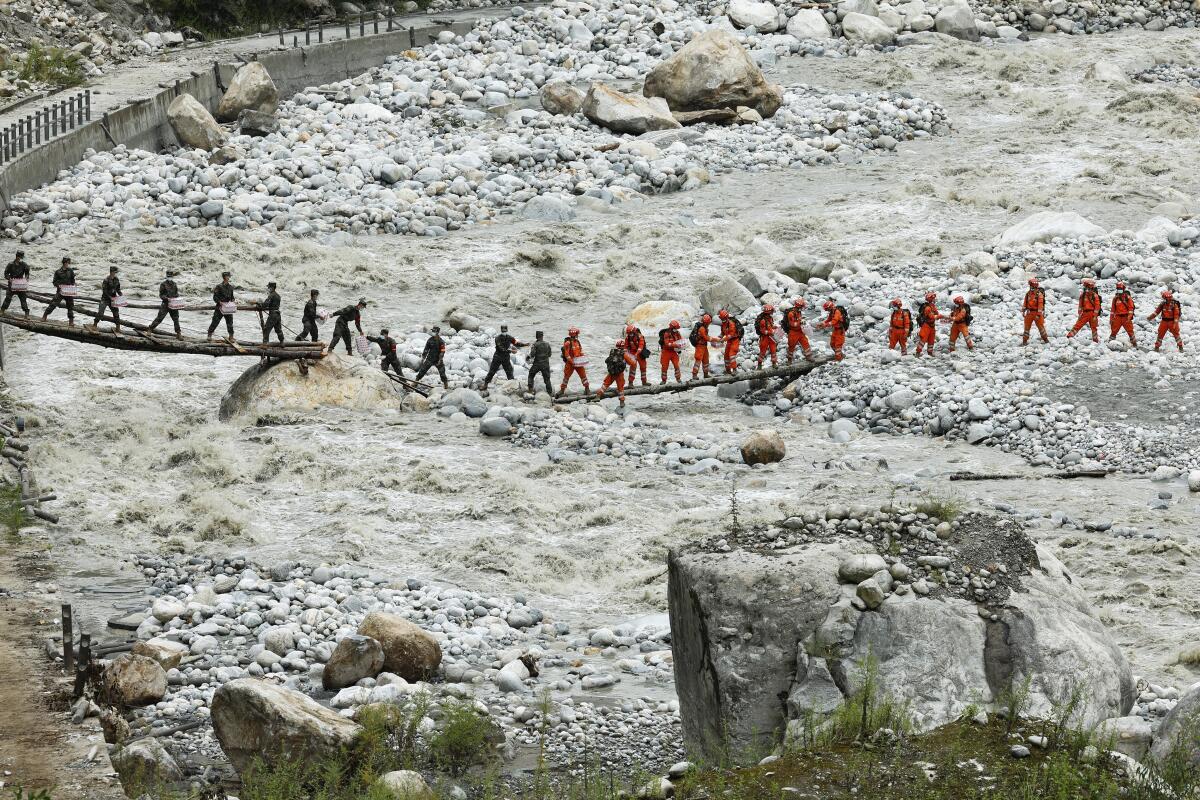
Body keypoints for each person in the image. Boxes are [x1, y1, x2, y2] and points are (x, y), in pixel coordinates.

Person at [481, 325, 527, 392]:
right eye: (503, 331)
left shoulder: (510, 337)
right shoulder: (497, 338)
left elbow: (516, 343)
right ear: (501, 331)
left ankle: (512, 385)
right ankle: (485, 384)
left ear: (506, 330)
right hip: (497, 357)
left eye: (505, 331)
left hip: (506, 358)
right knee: (492, 371)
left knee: (509, 372)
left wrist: (525, 344)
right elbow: (501, 348)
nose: (504, 332)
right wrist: (511, 351)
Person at [42, 257, 77, 325]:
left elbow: (73, 279)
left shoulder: (70, 271)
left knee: (70, 306)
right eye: (66, 263)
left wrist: (73, 284)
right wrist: (59, 286)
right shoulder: (58, 272)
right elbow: (54, 282)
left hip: (68, 291)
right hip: (60, 291)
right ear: (64, 263)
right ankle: (45, 316)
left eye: (68, 263)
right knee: (53, 304)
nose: (67, 264)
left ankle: (71, 321)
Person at [147, 269, 183, 337]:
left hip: (173, 304)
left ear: (172, 276)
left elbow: (176, 294)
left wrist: (178, 299)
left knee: (176, 319)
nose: (169, 277)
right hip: (165, 304)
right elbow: (161, 295)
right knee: (159, 318)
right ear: (166, 276)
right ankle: (150, 329)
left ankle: (178, 333)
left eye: (170, 276)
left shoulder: (174, 284)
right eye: (168, 276)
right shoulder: (163, 284)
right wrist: (167, 298)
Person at [596, 340, 630, 407]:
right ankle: (622, 402)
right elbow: (631, 362)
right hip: (619, 374)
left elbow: (607, 361)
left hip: (611, 372)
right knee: (620, 388)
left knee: (605, 384)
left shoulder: (612, 352)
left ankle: (598, 396)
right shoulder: (624, 354)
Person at [557, 327, 590, 396]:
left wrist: (583, 357)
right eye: (577, 334)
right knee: (566, 377)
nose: (577, 335)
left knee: (583, 375)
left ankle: (587, 389)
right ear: (574, 334)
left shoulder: (577, 342)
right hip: (570, 363)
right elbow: (567, 354)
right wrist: (572, 362)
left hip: (578, 362)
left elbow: (580, 351)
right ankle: (562, 390)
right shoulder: (567, 343)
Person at [1067, 278, 1102, 343]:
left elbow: (1097, 306)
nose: (1087, 289)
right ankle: (1069, 336)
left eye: (1088, 288)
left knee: (1093, 328)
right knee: (1078, 325)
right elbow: (1080, 306)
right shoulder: (1083, 296)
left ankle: (1095, 340)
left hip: (1092, 314)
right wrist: (1079, 314)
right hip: (1085, 313)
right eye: (1086, 288)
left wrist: (1095, 315)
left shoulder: (1094, 295)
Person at [92, 266, 123, 333]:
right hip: (105, 299)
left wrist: (120, 294)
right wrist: (110, 298)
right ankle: (95, 324)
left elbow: (118, 289)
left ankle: (118, 327)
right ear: (111, 272)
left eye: (116, 272)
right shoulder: (106, 280)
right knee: (100, 312)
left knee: (116, 313)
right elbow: (104, 291)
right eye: (115, 272)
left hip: (113, 298)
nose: (115, 274)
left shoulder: (116, 280)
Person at [207, 271, 236, 340]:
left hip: (228, 307)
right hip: (220, 307)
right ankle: (209, 334)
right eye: (228, 276)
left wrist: (233, 301)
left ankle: (231, 336)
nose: (229, 277)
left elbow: (232, 297)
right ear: (225, 277)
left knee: (230, 323)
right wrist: (220, 302)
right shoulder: (219, 286)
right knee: (215, 321)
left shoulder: (231, 287)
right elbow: (215, 297)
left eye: (229, 276)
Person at [781, 298, 811, 363]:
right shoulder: (791, 314)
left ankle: (809, 357)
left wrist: (802, 321)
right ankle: (789, 359)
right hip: (793, 332)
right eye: (802, 307)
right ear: (799, 306)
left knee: (805, 342)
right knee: (791, 346)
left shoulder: (798, 312)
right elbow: (792, 324)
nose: (803, 308)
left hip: (800, 331)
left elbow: (798, 320)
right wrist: (800, 322)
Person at [2, 250, 30, 315]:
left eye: (22, 257)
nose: (21, 258)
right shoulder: (10, 264)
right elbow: (6, 273)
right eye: (20, 257)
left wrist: (26, 278)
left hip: (21, 283)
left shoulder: (24, 265)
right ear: (17, 257)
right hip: (12, 283)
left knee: (23, 298)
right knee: (8, 298)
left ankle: (26, 313)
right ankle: (2, 310)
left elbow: (27, 273)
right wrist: (9, 279)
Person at [1022, 277, 1049, 346]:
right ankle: (1024, 341)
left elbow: (1040, 306)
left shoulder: (1039, 295)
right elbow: (1025, 302)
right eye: (1030, 286)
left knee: (1041, 327)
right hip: (1029, 313)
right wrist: (1023, 310)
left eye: (1031, 286)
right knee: (1026, 327)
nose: (1031, 288)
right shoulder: (1028, 294)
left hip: (1037, 313)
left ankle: (1045, 339)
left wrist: (1038, 315)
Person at [915, 292, 942, 357]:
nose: (934, 300)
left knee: (931, 340)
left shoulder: (932, 306)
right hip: (926, 326)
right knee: (923, 340)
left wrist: (938, 315)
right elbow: (931, 316)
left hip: (932, 325)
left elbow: (936, 313)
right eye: (933, 299)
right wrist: (939, 316)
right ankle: (918, 352)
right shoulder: (927, 308)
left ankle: (930, 352)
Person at [1109, 281, 1136, 347]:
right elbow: (1113, 310)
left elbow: (1131, 308)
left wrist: (1129, 317)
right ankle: (1110, 342)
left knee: (1130, 331)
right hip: (1117, 317)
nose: (1119, 291)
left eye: (1120, 289)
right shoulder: (1115, 298)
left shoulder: (1127, 298)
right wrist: (1111, 319)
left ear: (1123, 289)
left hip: (1126, 317)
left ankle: (1134, 343)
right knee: (1114, 330)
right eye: (1118, 289)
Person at [527, 331, 553, 396]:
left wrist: (528, 357)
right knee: (547, 379)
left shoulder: (535, 344)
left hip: (537, 364)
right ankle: (550, 393)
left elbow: (532, 355)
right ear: (542, 336)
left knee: (531, 375)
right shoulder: (547, 344)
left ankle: (530, 390)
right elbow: (549, 354)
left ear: (536, 336)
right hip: (546, 364)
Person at [718, 309, 743, 373]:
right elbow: (723, 332)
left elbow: (730, 335)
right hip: (729, 341)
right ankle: (728, 370)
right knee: (726, 356)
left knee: (731, 355)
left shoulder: (731, 324)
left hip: (735, 341)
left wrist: (723, 339)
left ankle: (734, 370)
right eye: (721, 319)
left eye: (723, 319)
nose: (722, 320)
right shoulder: (723, 324)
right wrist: (720, 336)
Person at [658, 320, 683, 384]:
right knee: (664, 367)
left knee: (676, 365)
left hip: (674, 351)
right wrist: (675, 345)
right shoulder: (666, 333)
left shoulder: (677, 333)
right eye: (675, 328)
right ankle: (663, 380)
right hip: (666, 351)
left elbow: (681, 340)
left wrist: (682, 346)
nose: (676, 330)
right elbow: (667, 344)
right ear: (672, 328)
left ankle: (678, 379)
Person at [754, 304, 778, 368]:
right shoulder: (763, 321)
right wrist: (771, 332)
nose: (772, 312)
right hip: (765, 339)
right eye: (771, 311)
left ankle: (774, 363)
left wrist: (774, 327)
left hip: (771, 338)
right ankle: (759, 365)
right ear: (769, 312)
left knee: (773, 351)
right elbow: (763, 331)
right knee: (762, 352)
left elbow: (771, 326)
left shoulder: (770, 318)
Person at [690, 314, 713, 379]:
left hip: (704, 346)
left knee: (706, 361)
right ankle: (694, 375)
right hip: (700, 346)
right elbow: (706, 338)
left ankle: (706, 374)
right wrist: (717, 340)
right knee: (698, 361)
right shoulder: (702, 329)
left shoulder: (704, 327)